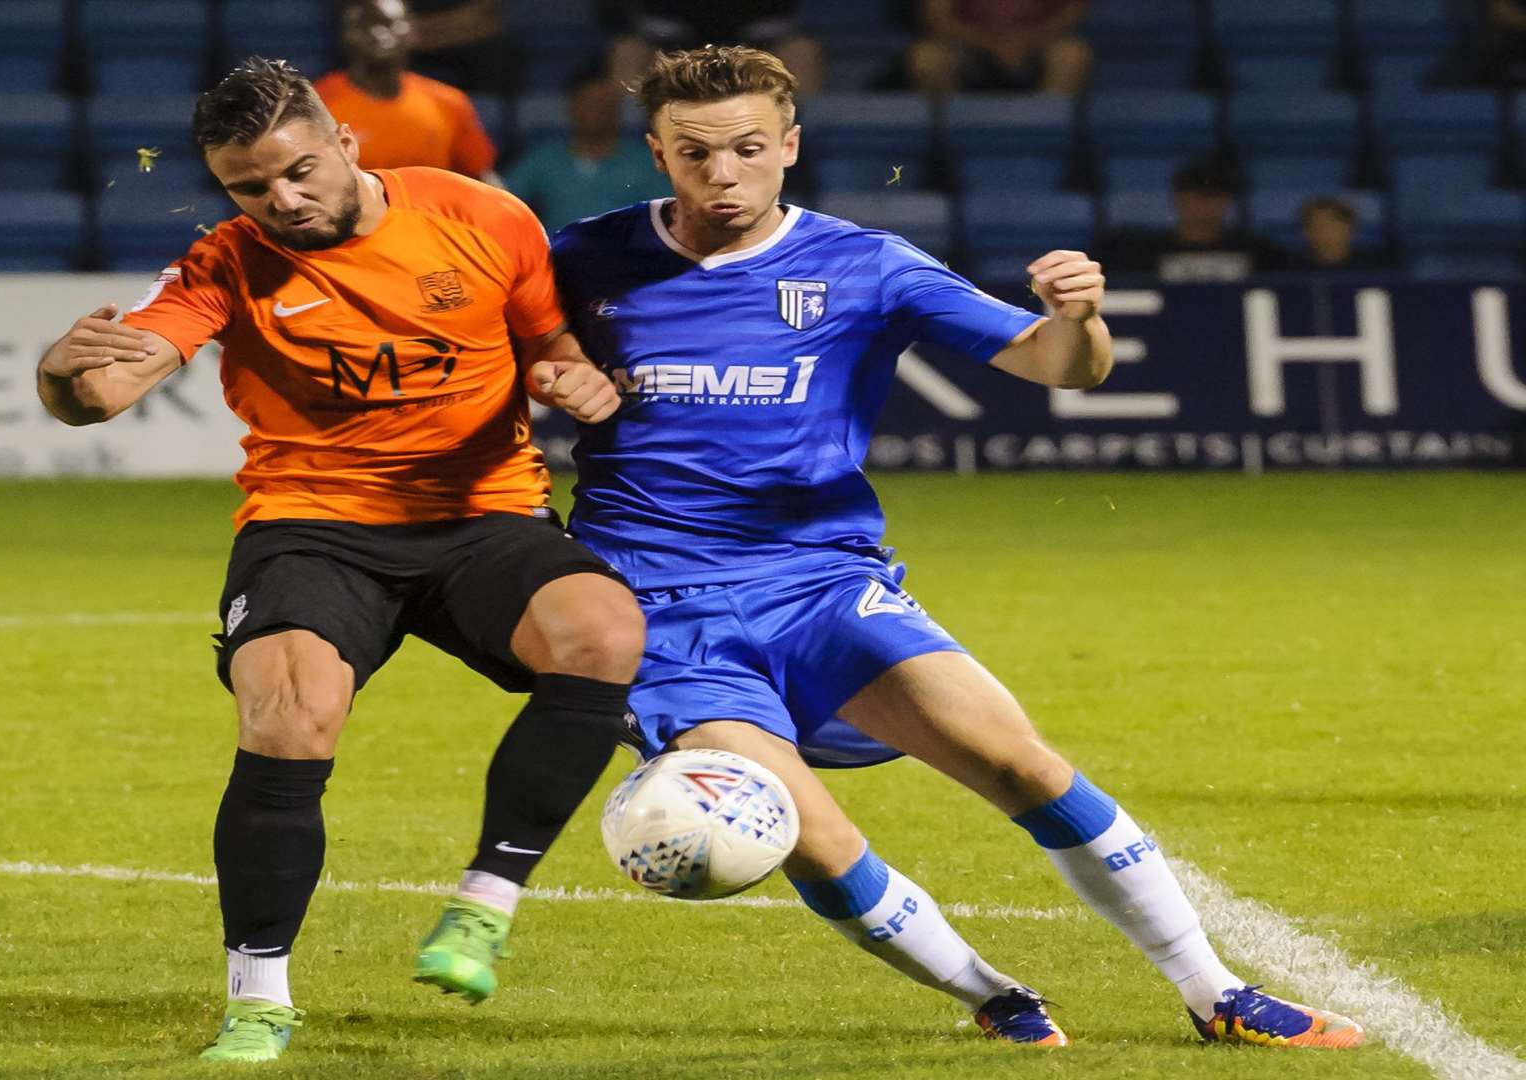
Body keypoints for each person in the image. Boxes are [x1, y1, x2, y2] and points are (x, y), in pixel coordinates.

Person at [549, 44, 1366, 1050]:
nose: (724, 174)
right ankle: (993, 996)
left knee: (1022, 764)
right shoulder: (581, 260)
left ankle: (1217, 994)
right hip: (655, 610)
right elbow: (483, 373)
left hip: (823, 585)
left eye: (749, 149)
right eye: (696, 153)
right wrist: (549, 386)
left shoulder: (865, 264)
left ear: (790, 147)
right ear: (658, 151)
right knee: (809, 834)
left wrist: (1082, 318)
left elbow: (1059, 366)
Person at [35, 57, 642, 1064]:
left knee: (606, 634)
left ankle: (481, 909)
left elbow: (551, 345)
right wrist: (62, 376)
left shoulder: (483, 216)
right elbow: (104, 392)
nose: (282, 199)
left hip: (483, 513)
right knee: (288, 713)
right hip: (314, 523)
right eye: (250, 186)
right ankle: (258, 998)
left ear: (346, 144)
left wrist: (574, 380)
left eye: (298, 170)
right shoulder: (227, 262)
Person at [313, 0, 500, 181]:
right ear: (345, 34)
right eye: (364, 24)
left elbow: (481, 178)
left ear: (411, 29)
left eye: (389, 23)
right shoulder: (317, 105)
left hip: (428, 211)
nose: (378, 32)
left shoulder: (449, 103)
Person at [503, 61, 664, 232]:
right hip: (558, 254)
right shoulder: (544, 159)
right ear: (572, 107)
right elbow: (503, 200)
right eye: (588, 103)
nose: (596, 112)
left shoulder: (644, 161)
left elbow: (666, 217)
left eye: (603, 105)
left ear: (616, 110)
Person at [1098, 159, 1273, 283]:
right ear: (1178, 199)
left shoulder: (1259, 253)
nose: (1204, 206)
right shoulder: (1142, 254)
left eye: (1214, 198)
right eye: (1197, 197)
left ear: (1227, 202)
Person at [607, 1, 825, 98]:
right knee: (627, 50)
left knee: (802, 50)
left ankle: (793, 132)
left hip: (752, 47)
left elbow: (778, 16)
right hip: (673, 46)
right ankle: (634, 140)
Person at [905, 0, 1092, 98]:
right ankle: (951, 145)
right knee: (927, 60)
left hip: (1034, 47)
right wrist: (993, 45)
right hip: (970, 49)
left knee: (1072, 55)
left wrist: (1026, 41)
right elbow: (938, 17)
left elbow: (1071, 12)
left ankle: (1045, 138)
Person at [1263, 196, 1399, 273]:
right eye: (1315, 225)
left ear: (1350, 228)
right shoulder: (1289, 271)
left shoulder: (1377, 268)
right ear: (1305, 232)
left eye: (1331, 224)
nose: (1323, 231)